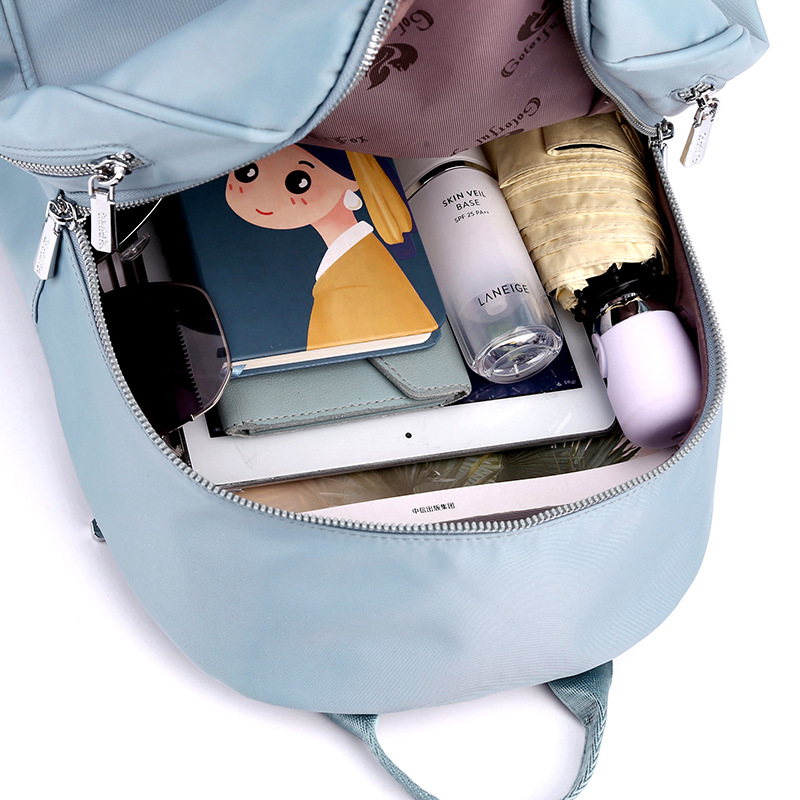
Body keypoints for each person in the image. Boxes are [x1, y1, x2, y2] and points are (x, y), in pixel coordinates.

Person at [225, 144, 437, 350]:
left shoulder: (353, 287)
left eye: (298, 182)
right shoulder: (352, 267)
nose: (264, 192)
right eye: (247, 171)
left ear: (349, 180)